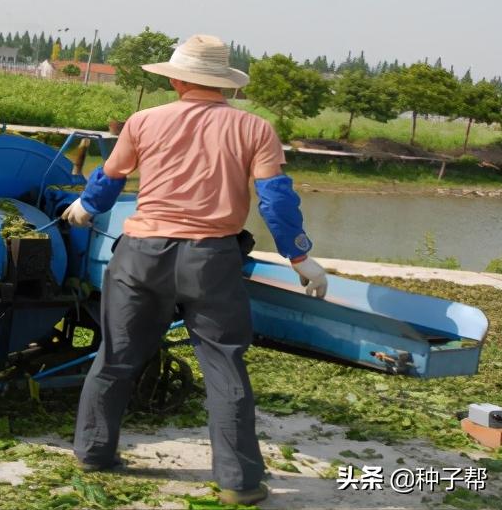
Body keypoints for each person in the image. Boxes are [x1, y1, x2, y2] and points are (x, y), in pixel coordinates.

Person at [61, 34, 327, 506]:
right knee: (224, 365)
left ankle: (93, 453)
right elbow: (276, 199)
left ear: (178, 78)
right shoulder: (255, 129)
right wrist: (300, 257)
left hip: (140, 256)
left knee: (116, 357)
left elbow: (110, 178)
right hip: (211, 260)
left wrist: (85, 206)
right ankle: (239, 483)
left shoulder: (144, 121)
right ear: (223, 83)